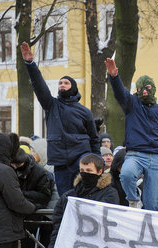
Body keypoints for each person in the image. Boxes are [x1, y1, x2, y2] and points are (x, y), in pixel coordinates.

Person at [21, 42, 100, 195]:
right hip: (60, 160)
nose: (62, 85)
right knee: (65, 197)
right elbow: (39, 86)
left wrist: (97, 160)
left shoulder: (85, 112)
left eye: (66, 83)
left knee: (84, 193)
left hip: (80, 156)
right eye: (60, 83)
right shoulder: (52, 105)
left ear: (73, 87)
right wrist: (30, 64)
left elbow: (94, 138)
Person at [105, 57, 158, 209]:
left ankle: (147, 229)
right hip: (135, 154)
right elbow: (120, 93)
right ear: (137, 90)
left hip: (156, 158)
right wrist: (114, 77)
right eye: (141, 89)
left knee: (152, 204)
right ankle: (134, 200)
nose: (145, 92)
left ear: (153, 88)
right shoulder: (132, 103)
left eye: (148, 88)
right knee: (126, 174)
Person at [11, 148, 53, 248]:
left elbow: (44, 196)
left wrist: (21, 194)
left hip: (32, 220)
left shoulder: (40, 173)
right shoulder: (10, 169)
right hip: (14, 219)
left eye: (17, 166)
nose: (15, 168)